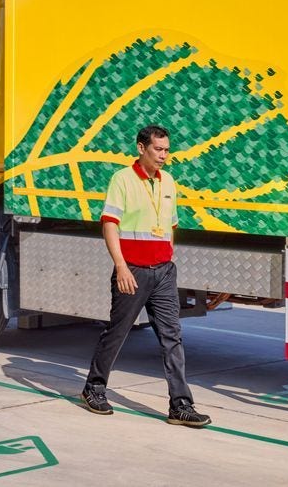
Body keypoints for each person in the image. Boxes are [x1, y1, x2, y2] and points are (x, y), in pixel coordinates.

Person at [81, 125, 211, 428]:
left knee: (172, 338)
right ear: (142, 148)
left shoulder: (169, 182)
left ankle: (180, 405)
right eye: (158, 150)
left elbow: (171, 225)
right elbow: (110, 225)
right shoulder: (122, 180)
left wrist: (169, 255)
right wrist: (122, 266)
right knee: (117, 332)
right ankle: (94, 388)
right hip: (133, 272)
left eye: (167, 150)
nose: (164, 155)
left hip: (163, 272)